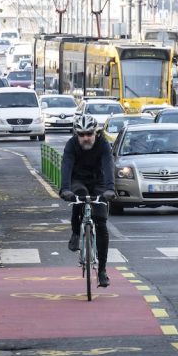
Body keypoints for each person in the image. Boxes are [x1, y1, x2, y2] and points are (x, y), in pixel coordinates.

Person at [59, 115, 116, 288]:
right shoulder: (71, 145)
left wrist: (110, 189)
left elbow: (108, 165)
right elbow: (66, 166)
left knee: (101, 222)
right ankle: (76, 233)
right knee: (79, 196)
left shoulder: (103, 144)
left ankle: (102, 271)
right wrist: (65, 189)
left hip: (99, 181)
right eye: (81, 134)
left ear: (96, 133)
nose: (85, 138)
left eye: (89, 134)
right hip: (78, 180)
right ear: (76, 134)